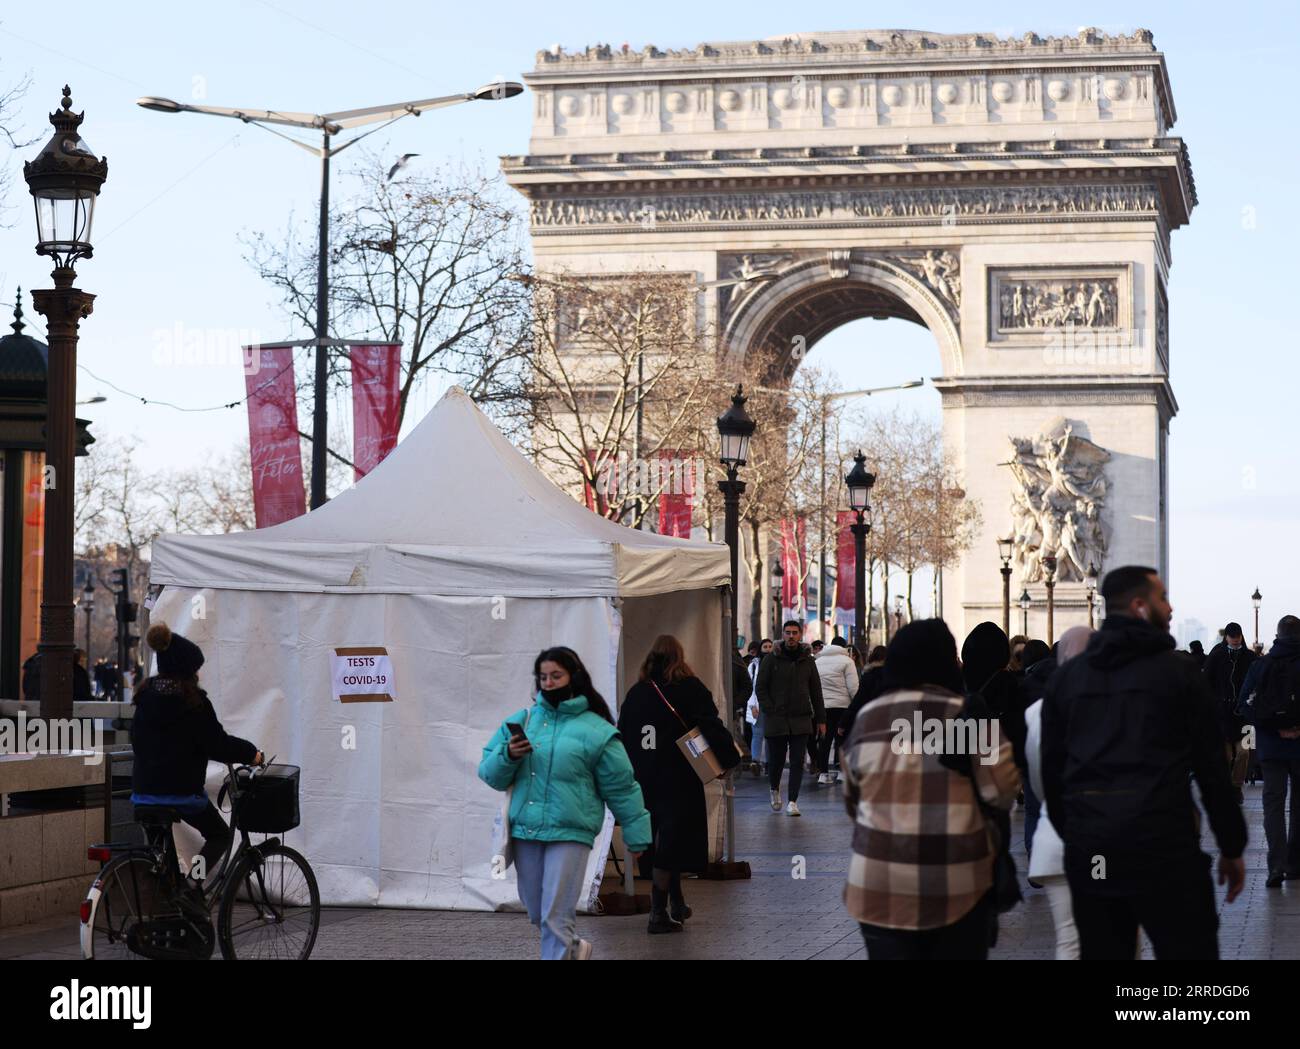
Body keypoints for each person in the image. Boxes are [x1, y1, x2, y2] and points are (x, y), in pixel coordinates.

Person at [1041, 566, 1247, 960]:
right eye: (1162, 597)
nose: (1170, 608)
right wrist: (1231, 845)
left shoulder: (1068, 680)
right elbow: (1211, 770)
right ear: (1139, 606)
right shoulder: (1179, 672)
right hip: (1164, 848)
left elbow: (1053, 773)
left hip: (1095, 854)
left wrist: (1080, 835)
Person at [842, 619, 1020, 960]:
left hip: (879, 884)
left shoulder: (869, 719)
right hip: (957, 883)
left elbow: (854, 799)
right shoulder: (965, 715)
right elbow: (1002, 791)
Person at [478, 646, 651, 960]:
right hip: (526, 831)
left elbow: (622, 787)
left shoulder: (598, 731)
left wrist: (637, 835)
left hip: (572, 832)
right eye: (543, 677)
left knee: (556, 915)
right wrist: (509, 755)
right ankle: (573, 949)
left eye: (556, 675)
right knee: (536, 911)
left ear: (575, 677)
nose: (548, 682)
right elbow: (489, 774)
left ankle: (561, 950)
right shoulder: (523, 721)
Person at [129, 623, 263, 912]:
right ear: (187, 671)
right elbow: (218, 744)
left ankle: (168, 906)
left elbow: (137, 742)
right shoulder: (194, 702)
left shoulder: (145, 699)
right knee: (219, 836)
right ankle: (194, 883)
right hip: (181, 794)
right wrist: (251, 753)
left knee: (160, 856)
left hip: (143, 794)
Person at [618, 635, 739, 932]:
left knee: (660, 837)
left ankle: (677, 902)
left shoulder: (637, 692)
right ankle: (658, 912)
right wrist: (728, 759)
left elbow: (624, 733)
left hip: (644, 776)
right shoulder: (690, 689)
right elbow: (710, 725)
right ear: (679, 658)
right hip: (678, 776)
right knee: (672, 840)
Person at [1024, 625, 1091, 958]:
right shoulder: (1117, 705)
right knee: (1118, 939)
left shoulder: (1035, 712)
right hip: (1102, 847)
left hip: (1054, 840)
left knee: (1069, 940)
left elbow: (1038, 780)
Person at [1236, 615, 1300, 887]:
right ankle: (1295, 864)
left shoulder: (1262, 665)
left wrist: (1273, 729)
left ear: (1277, 634)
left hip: (1272, 747)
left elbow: (1244, 705)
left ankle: (1276, 865)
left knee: (1273, 805)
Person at [755, 620, 826, 817]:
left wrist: (821, 719)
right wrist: (769, 708)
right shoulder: (771, 659)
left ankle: (793, 801)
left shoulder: (808, 661)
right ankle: (774, 788)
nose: (791, 636)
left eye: (795, 632)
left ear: (800, 635)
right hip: (777, 719)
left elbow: (816, 691)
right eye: (788, 632)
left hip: (801, 719)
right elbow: (760, 686)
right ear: (783, 634)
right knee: (776, 761)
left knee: (797, 761)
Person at [1204, 621, 1258, 803]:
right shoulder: (1216, 655)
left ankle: (1236, 786)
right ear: (1226, 638)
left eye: (1238, 639)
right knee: (1224, 755)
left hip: (1245, 715)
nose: (1235, 642)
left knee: (1244, 753)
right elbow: (1206, 681)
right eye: (1232, 640)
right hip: (1221, 715)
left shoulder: (1250, 657)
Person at [813, 636, 858, 784]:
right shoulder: (848, 662)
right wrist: (855, 705)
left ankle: (823, 773)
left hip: (822, 707)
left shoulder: (817, 662)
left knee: (824, 740)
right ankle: (841, 772)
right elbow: (853, 688)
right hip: (842, 707)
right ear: (844, 647)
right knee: (842, 739)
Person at [746, 639, 772, 775]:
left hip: (772, 706)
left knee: (770, 735)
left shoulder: (777, 663)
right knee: (757, 734)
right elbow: (750, 688)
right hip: (757, 705)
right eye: (765, 646)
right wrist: (751, 706)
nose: (767, 649)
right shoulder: (754, 666)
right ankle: (755, 762)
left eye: (770, 646)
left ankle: (769, 763)